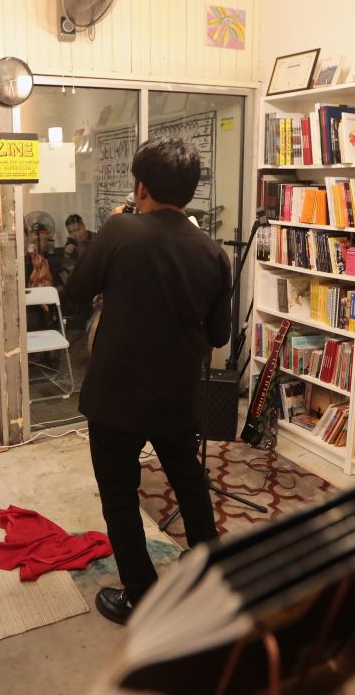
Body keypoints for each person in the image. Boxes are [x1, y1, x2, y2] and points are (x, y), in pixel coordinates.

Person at [66, 137, 231, 626]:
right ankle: (210, 567)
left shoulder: (119, 231)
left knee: (119, 494)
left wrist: (112, 231)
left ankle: (141, 595)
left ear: (140, 187)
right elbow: (220, 333)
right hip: (177, 392)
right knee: (188, 478)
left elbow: (76, 292)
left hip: (116, 394)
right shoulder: (212, 251)